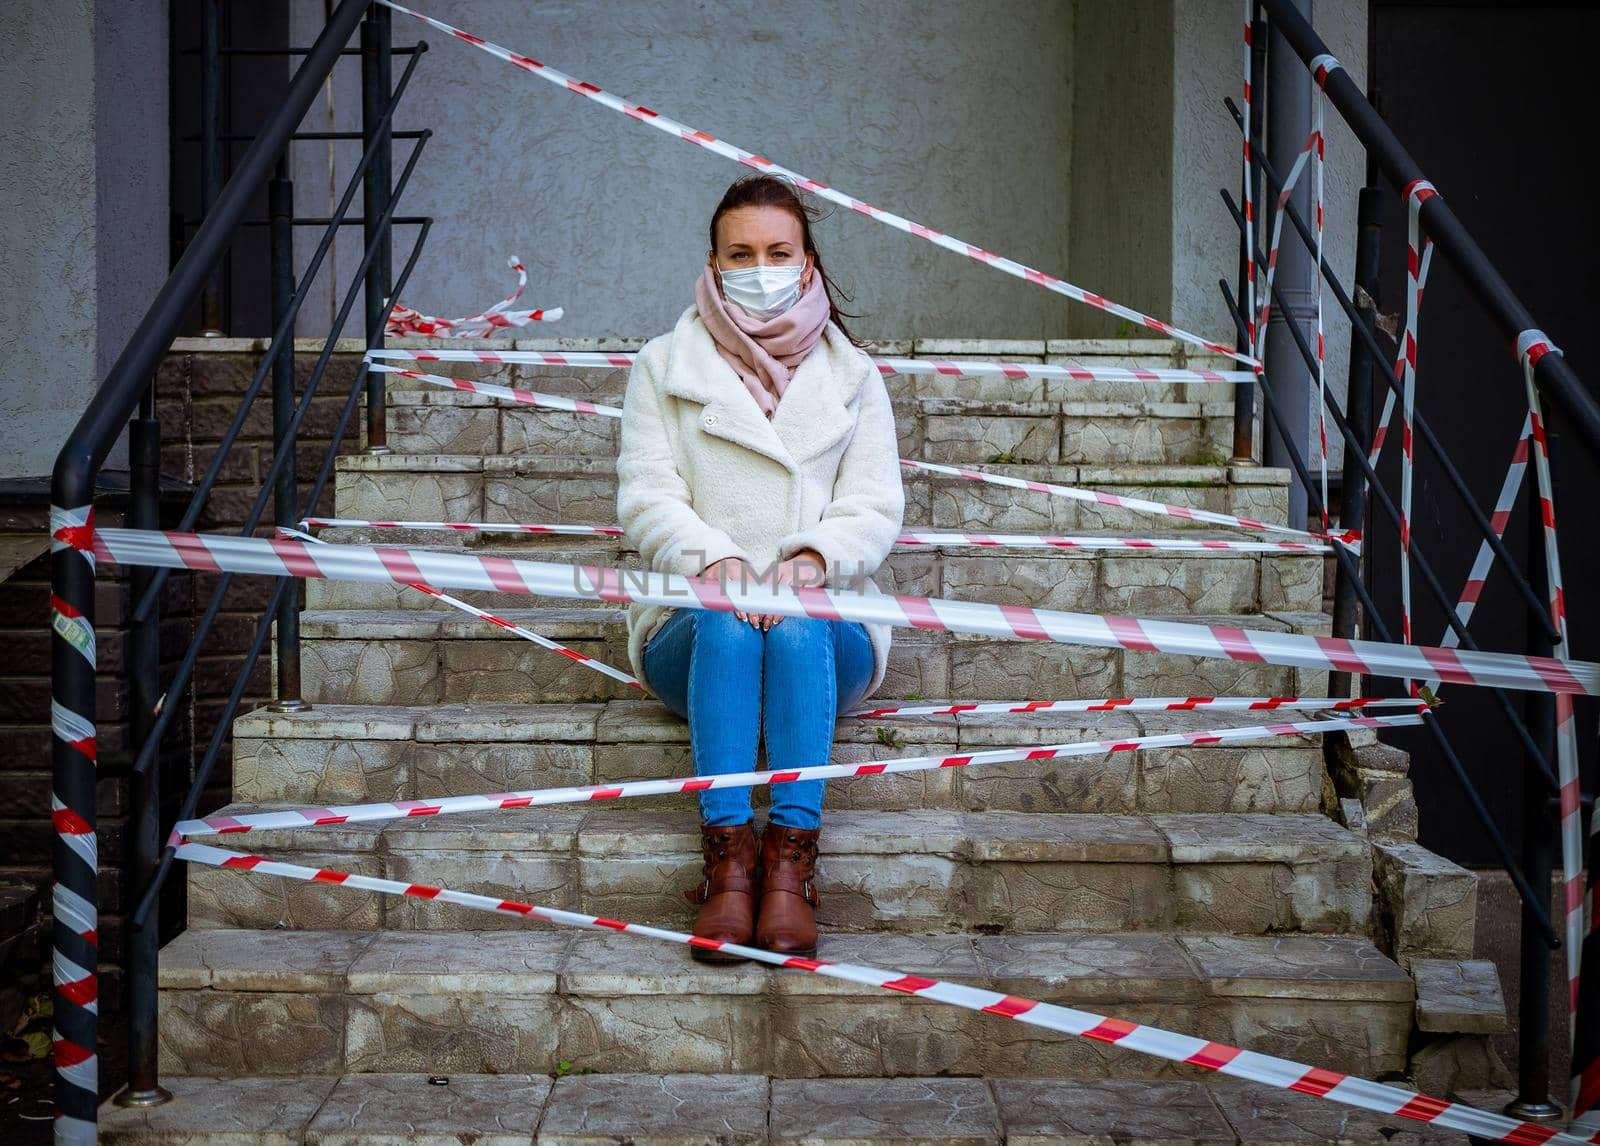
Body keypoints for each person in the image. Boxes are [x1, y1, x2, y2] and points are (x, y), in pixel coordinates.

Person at [615, 173, 904, 961]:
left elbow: (875, 506)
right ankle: (729, 863)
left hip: (824, 629)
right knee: (732, 627)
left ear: (809, 264)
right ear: (713, 262)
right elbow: (646, 498)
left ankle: (790, 868)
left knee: (800, 626)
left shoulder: (854, 378)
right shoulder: (664, 366)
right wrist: (724, 565)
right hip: (697, 628)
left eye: (779, 251)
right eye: (740, 253)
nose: (761, 266)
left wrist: (808, 564)